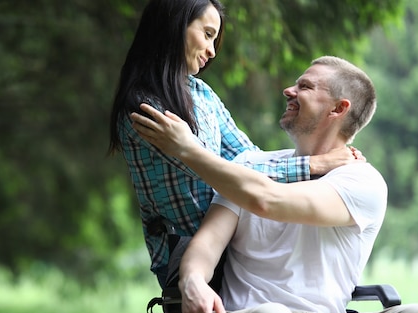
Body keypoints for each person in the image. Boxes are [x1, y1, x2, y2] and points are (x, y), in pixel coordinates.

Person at [130, 56, 418, 313]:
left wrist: (188, 149)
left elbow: (269, 201)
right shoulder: (249, 171)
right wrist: (192, 281)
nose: (289, 90)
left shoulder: (361, 182)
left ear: (339, 108)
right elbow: (205, 246)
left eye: (305, 86)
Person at [108, 0, 360, 288]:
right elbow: (207, 167)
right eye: (207, 34)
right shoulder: (143, 107)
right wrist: (312, 165)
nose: (212, 51)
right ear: (174, 25)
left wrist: (317, 162)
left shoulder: (200, 92)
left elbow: (245, 157)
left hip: (235, 244)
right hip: (187, 253)